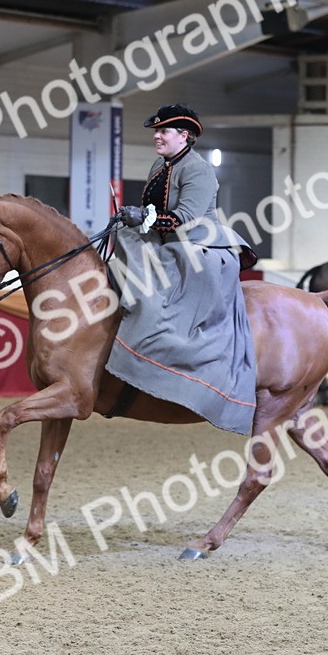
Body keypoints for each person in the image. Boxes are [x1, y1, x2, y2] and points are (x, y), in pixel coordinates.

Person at [106, 104, 257, 435]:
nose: (157, 136)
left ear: (184, 136)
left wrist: (143, 216)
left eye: (163, 131)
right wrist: (134, 215)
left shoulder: (199, 171)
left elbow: (184, 217)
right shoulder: (160, 165)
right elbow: (155, 210)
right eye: (156, 131)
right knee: (122, 244)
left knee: (151, 287)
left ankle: (159, 352)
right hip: (168, 240)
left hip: (199, 247)